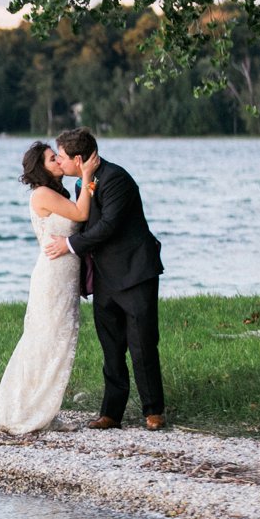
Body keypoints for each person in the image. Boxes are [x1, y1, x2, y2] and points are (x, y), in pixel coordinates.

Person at [44, 127, 166, 431]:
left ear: (78, 158)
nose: (59, 162)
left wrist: (69, 245)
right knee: (111, 348)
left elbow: (108, 226)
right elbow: (87, 223)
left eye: (61, 156)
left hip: (134, 273)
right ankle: (111, 413)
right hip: (105, 279)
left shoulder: (116, 179)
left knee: (142, 345)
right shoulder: (82, 185)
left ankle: (154, 411)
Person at [0, 141, 99, 435]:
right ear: (41, 168)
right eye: (52, 159)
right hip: (53, 277)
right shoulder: (44, 194)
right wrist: (86, 176)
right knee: (47, 341)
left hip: (64, 274)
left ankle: (45, 409)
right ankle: (30, 410)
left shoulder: (53, 192)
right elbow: (81, 215)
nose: (59, 162)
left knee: (55, 341)